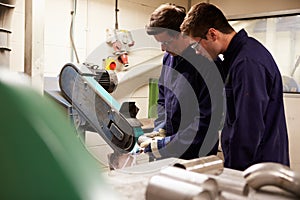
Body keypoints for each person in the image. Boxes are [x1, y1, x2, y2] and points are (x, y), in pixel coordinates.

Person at [181, 2, 290, 170]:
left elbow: (248, 130)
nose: (196, 51)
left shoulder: (247, 63)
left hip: (257, 168)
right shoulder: (237, 58)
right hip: (254, 164)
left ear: (212, 34)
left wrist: (233, 173)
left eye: (196, 45)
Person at [139, 3, 223, 160]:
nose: (163, 49)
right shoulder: (169, 58)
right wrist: (160, 130)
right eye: (160, 43)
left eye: (167, 42)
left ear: (183, 34)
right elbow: (163, 100)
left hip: (196, 154)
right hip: (170, 149)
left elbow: (206, 120)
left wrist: (166, 145)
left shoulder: (207, 62)